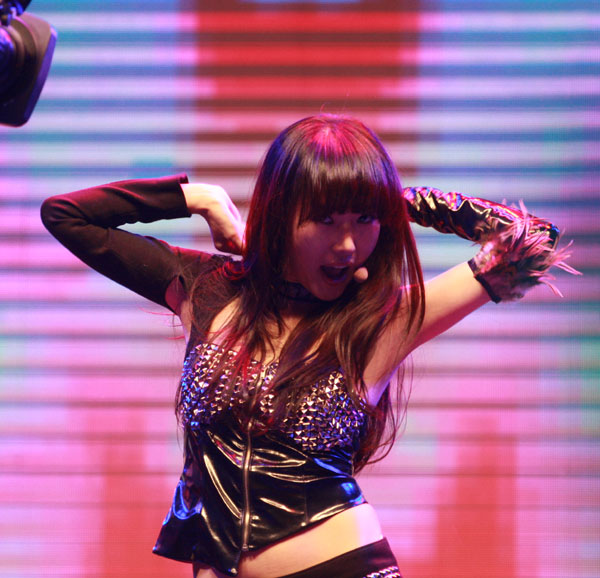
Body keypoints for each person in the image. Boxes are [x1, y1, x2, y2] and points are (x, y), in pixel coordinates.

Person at [40, 114, 576, 578]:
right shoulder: (205, 288)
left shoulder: (385, 320)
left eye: (364, 221)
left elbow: (532, 241)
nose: (347, 245)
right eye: (325, 219)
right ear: (281, 213)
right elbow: (66, 215)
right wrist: (201, 198)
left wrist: (394, 199)